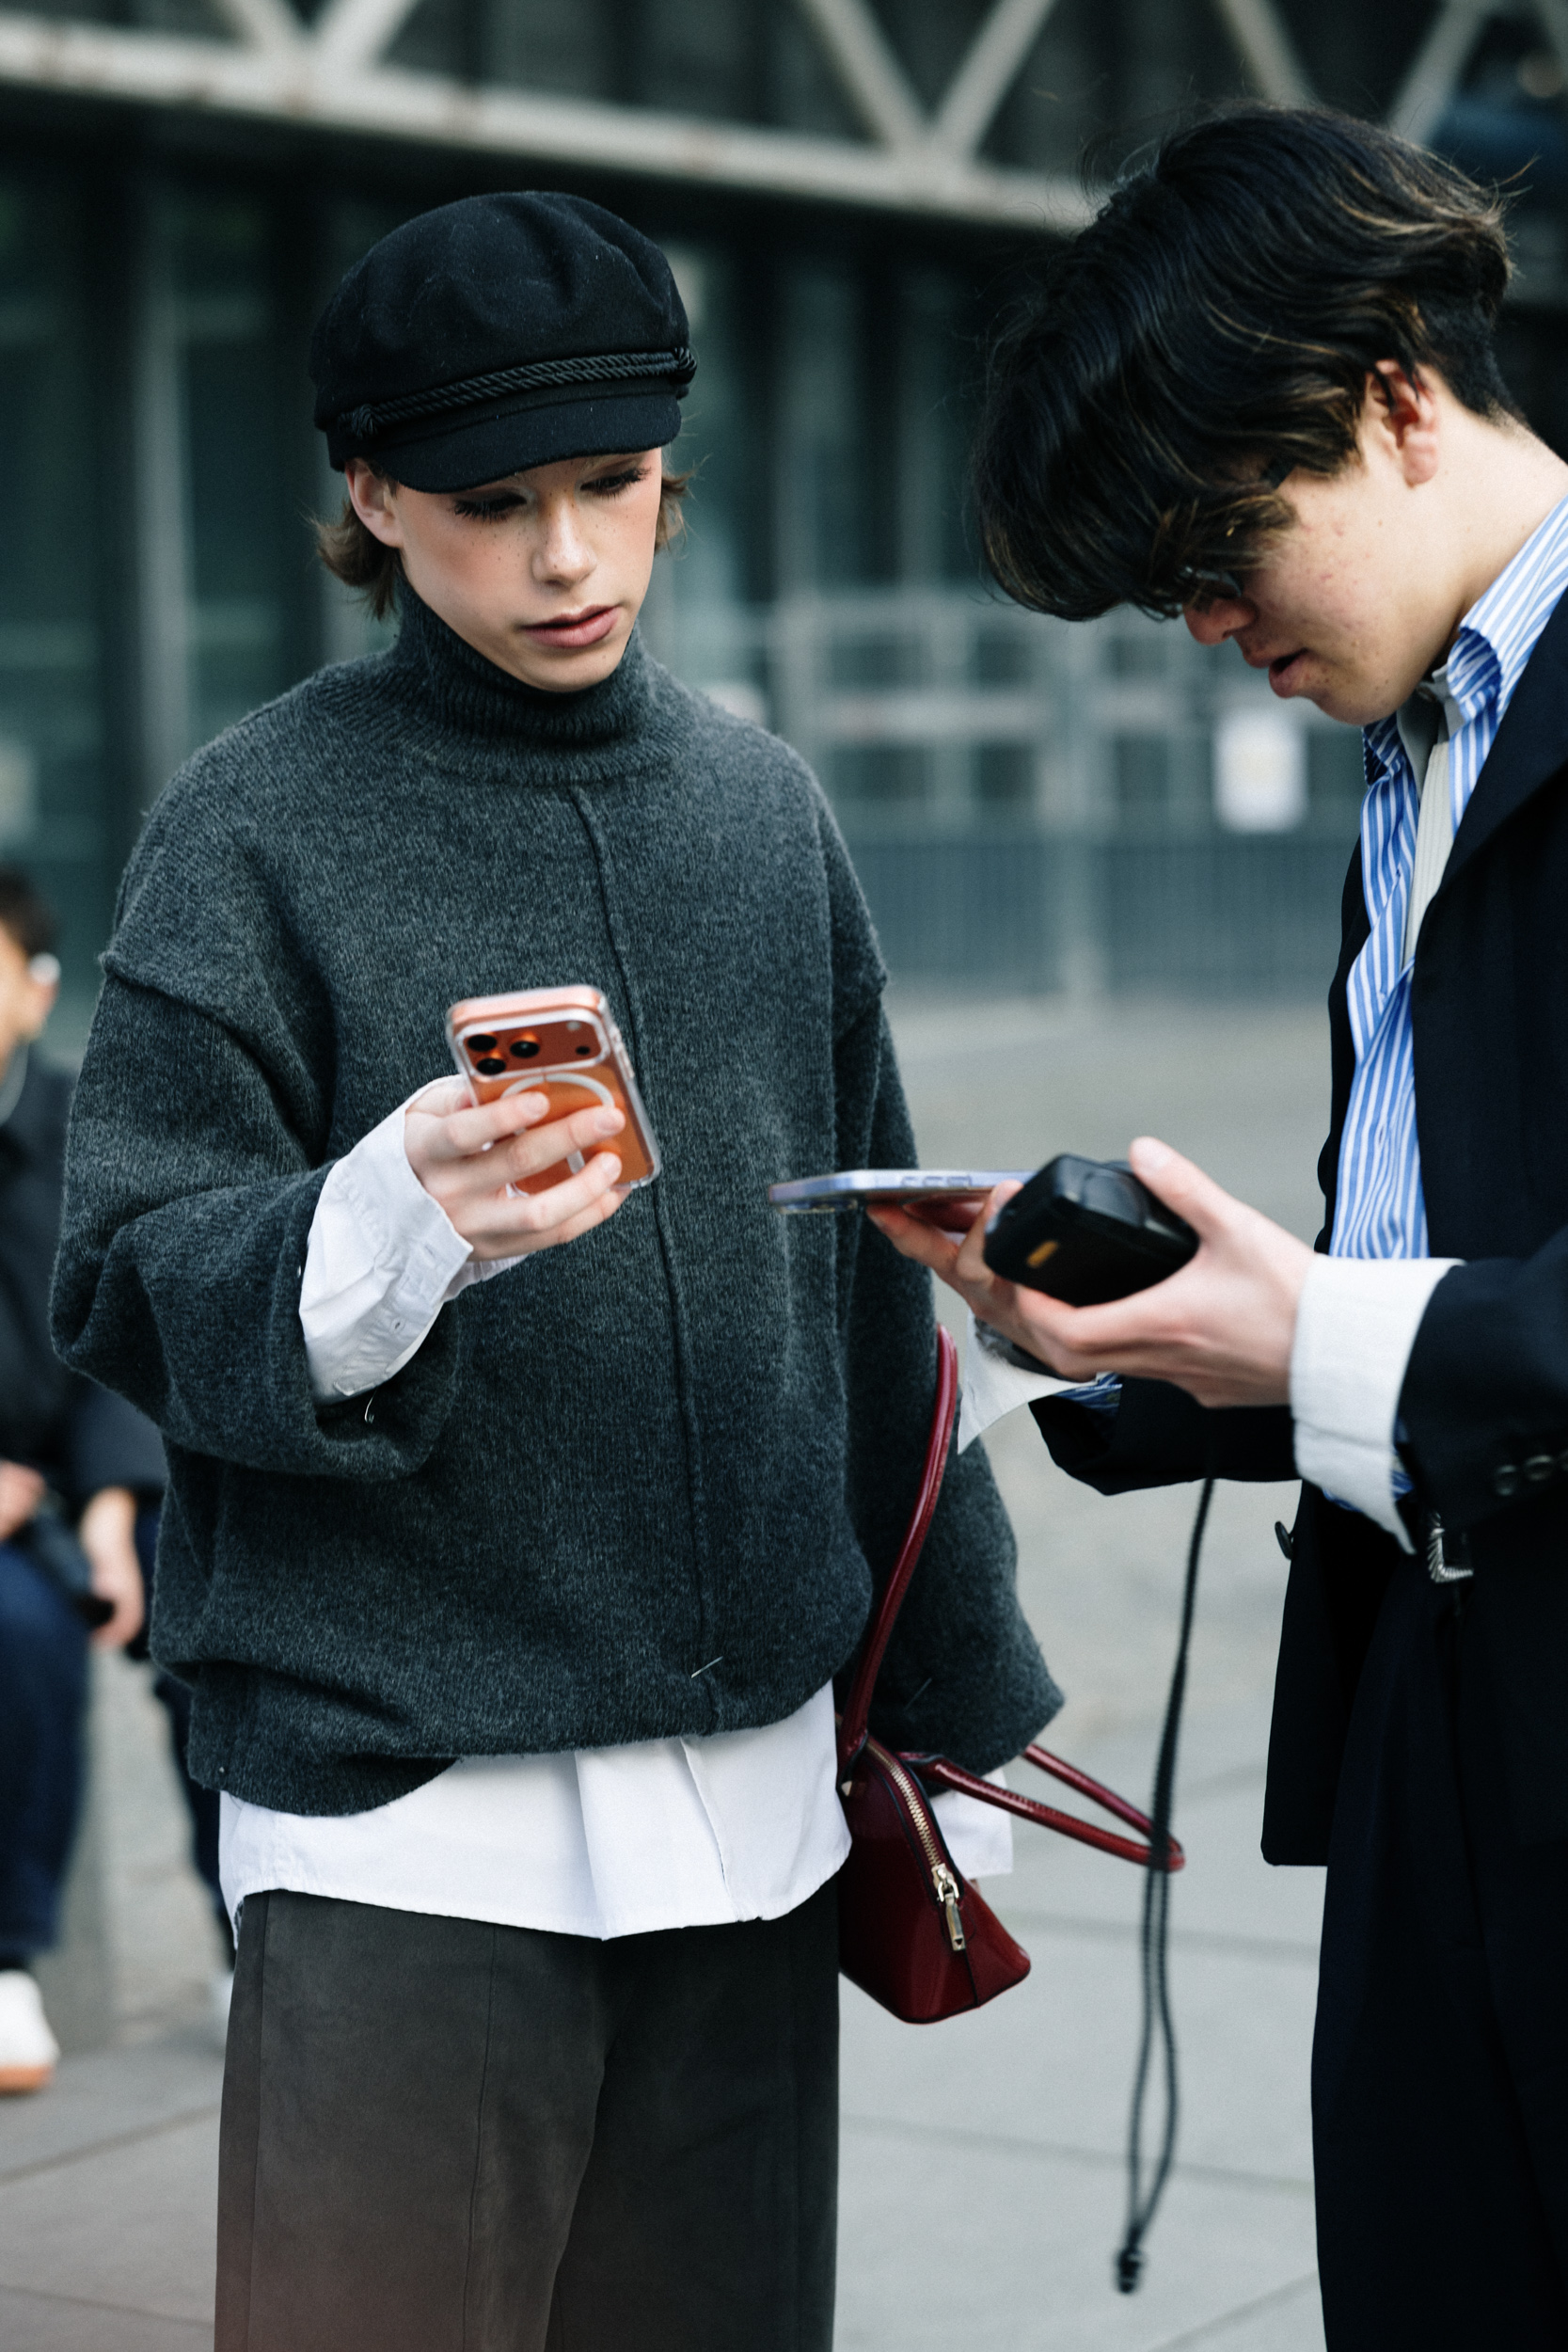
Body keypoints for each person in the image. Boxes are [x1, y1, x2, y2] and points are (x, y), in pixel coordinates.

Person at [51, 192, 1057, 2352]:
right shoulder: (250, 821)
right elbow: (125, 1276)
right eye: (495, 503)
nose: (571, 556)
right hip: (405, 1829)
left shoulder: (764, 811)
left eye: (612, 483)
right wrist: (385, 1217)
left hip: (758, 1816)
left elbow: (868, 1297)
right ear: (372, 495)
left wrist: (960, 1694)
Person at [870, 105, 1568, 2348]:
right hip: (1429, 1718)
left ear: (1394, 393)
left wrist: (1332, 1339)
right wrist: (1154, 1337)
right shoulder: (1420, 743)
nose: (1200, 619)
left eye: (1215, 542)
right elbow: (1446, 1271)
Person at [0, 866, 165, 2092]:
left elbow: (126, 1322)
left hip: (87, 1475)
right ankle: (10, 1961)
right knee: (20, 1635)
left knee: (214, 1593)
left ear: (35, 989)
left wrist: (110, 1513)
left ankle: (253, 1937)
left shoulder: (84, 1123)